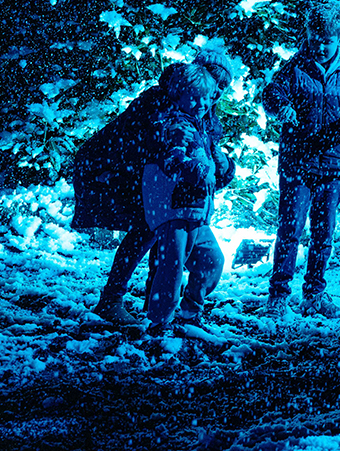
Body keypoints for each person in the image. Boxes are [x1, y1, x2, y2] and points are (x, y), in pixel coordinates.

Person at [82, 50, 233, 326]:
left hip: (165, 185)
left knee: (162, 238)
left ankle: (153, 304)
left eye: (222, 88)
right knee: (146, 232)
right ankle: (116, 301)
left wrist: (223, 166)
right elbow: (146, 142)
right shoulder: (163, 101)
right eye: (215, 83)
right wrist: (176, 153)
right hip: (124, 169)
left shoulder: (204, 114)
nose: (215, 95)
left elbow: (210, 162)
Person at [264, 0, 340, 322]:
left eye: (328, 40)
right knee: (290, 229)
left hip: (334, 162)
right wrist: (282, 109)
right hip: (298, 163)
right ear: (308, 34)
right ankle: (278, 295)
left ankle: (315, 292)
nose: (321, 45)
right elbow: (272, 94)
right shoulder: (295, 67)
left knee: (323, 232)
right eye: (316, 38)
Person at [142, 60, 231, 337]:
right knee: (172, 267)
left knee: (211, 260)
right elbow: (173, 159)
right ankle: (159, 323)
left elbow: (213, 173)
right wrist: (197, 170)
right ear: (179, 96)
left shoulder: (202, 126)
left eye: (206, 97)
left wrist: (223, 166)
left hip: (196, 211)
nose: (201, 103)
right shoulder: (176, 125)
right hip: (176, 210)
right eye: (193, 98)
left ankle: (191, 310)